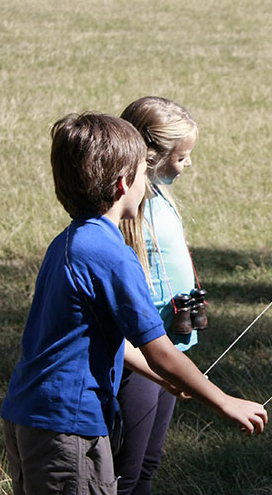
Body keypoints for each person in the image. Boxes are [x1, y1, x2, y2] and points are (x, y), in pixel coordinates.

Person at [1, 113, 267, 495]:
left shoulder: (69, 242)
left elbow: (94, 336)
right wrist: (224, 401)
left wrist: (167, 382)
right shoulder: (111, 253)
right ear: (125, 183)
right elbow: (159, 349)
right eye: (144, 172)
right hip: (70, 425)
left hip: (29, 413)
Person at [114, 98, 203, 494]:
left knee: (148, 464)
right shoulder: (130, 210)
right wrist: (159, 370)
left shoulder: (160, 195)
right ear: (151, 156)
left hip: (168, 350)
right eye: (181, 156)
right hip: (143, 359)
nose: (187, 165)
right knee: (125, 472)